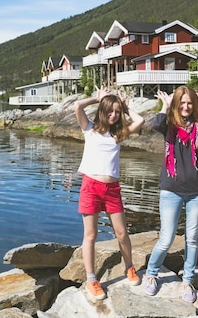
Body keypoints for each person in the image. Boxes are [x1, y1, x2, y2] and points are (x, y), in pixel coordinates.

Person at [142, 86, 198, 303]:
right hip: (170, 190)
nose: (186, 107)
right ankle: (151, 274)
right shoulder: (168, 126)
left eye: (189, 103)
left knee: (192, 239)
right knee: (166, 239)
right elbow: (155, 123)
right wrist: (166, 105)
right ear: (176, 104)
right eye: (182, 103)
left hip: (197, 191)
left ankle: (188, 281)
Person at [74, 86, 145, 300]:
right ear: (103, 111)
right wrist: (96, 100)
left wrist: (126, 106)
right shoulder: (89, 129)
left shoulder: (118, 134)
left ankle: (129, 267)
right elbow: (77, 106)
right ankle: (91, 279)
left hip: (112, 189)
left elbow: (139, 121)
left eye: (116, 112)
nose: (113, 115)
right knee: (91, 235)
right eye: (110, 111)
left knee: (122, 233)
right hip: (91, 187)